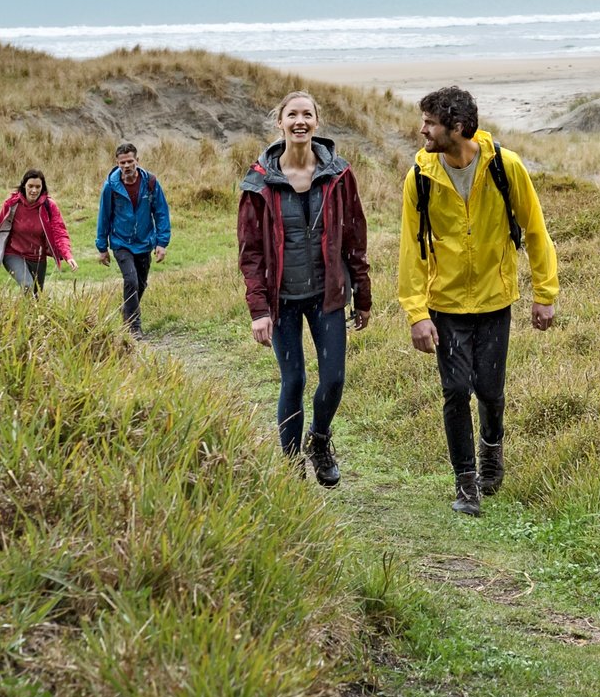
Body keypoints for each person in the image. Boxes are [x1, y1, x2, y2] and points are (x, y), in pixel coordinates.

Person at [398, 85, 558, 517]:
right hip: (444, 304)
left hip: (494, 299)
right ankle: (465, 484)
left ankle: (492, 454)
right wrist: (416, 313)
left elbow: (536, 230)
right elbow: (410, 250)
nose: (423, 130)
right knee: (454, 392)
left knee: (489, 392)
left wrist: (545, 294)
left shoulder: (506, 167)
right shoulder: (420, 177)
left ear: (458, 127)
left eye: (431, 123)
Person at [238, 91, 373, 487]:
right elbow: (251, 254)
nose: (300, 121)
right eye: (292, 114)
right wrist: (259, 310)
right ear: (279, 122)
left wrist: (362, 295)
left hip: (327, 297)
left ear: (318, 122)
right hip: (281, 303)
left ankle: (320, 439)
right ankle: (290, 464)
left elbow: (355, 237)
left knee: (333, 380)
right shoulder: (259, 181)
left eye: (307, 114)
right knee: (293, 380)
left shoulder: (339, 175)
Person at [96, 141, 170, 337]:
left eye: (130, 161)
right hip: (121, 242)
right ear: (117, 163)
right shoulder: (111, 187)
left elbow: (161, 212)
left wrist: (161, 243)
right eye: (122, 163)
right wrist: (102, 247)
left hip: (144, 241)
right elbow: (104, 216)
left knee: (141, 283)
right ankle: (134, 327)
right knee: (131, 280)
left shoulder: (151, 183)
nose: (126, 166)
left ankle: (127, 311)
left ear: (137, 160)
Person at [0, 167, 78, 292]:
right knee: (27, 285)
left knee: (35, 296)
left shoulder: (49, 206)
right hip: (13, 253)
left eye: (37, 187)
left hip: (38, 257)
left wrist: (68, 255)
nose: (34, 190)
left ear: (42, 188)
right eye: (30, 186)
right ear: (24, 186)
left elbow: (59, 232)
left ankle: (26, 312)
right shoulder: (12, 204)